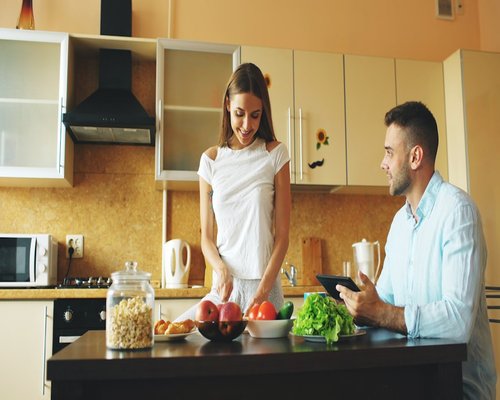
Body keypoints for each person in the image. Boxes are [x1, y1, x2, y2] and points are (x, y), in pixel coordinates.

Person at [336, 101, 496, 399]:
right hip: (413, 377)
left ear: (415, 156)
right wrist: (356, 305)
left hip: (457, 386)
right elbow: (384, 302)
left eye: (388, 152)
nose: (382, 164)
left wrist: (381, 312)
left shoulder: (458, 212)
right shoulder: (400, 223)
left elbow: (457, 321)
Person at [175, 62, 291, 320]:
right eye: (240, 113)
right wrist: (221, 270)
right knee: (175, 343)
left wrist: (260, 295)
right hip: (224, 289)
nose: (247, 125)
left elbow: (282, 236)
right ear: (227, 104)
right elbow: (206, 237)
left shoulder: (275, 154)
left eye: (255, 115)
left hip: (265, 292)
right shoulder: (210, 161)